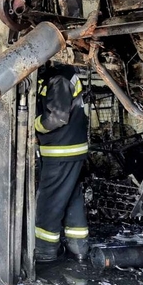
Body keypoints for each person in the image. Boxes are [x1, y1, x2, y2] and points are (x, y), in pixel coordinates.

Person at [33, 62, 89, 262]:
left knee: (49, 201)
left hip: (61, 152)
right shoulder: (60, 76)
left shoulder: (59, 80)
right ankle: (78, 247)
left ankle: (45, 250)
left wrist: (33, 125)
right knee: (72, 198)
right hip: (70, 150)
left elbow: (56, 118)